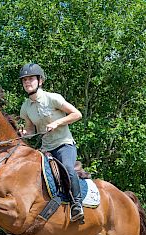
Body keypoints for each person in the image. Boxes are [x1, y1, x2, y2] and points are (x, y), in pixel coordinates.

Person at [18, 63, 85, 223]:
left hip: (64, 145)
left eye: (31, 79)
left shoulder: (53, 98)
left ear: (40, 81)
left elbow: (77, 114)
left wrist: (57, 123)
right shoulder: (25, 107)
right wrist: (24, 133)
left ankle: (77, 204)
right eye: (24, 80)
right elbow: (31, 129)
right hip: (45, 149)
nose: (27, 82)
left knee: (68, 169)